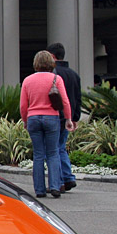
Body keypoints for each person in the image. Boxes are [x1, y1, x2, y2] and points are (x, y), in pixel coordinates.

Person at [20, 50, 74, 199]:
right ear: (51, 63)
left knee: (38, 154)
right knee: (52, 153)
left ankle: (39, 189)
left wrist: (25, 120)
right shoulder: (56, 78)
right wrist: (68, 119)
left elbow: (23, 105)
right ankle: (55, 186)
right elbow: (65, 101)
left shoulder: (28, 80)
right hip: (52, 118)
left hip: (33, 118)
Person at [47, 42, 82, 192]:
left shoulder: (52, 74)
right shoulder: (74, 74)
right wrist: (74, 117)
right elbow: (78, 98)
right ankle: (68, 177)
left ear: (53, 56)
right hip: (68, 117)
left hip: (55, 115)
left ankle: (61, 179)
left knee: (54, 149)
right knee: (61, 147)